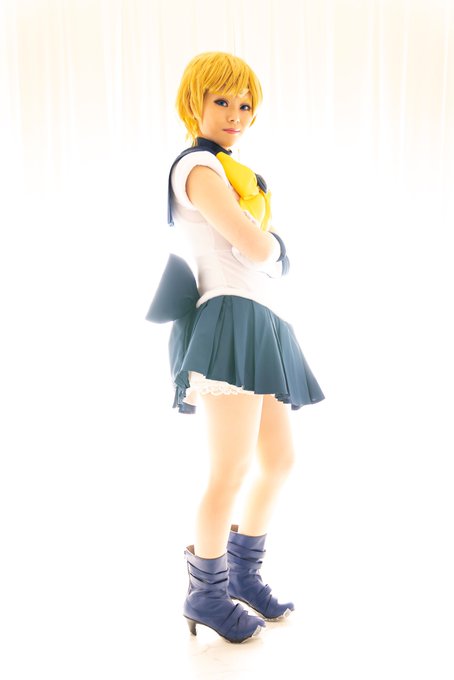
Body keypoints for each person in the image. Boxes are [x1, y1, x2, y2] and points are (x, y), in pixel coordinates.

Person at [147, 51, 324, 643]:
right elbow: (253, 245)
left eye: (246, 105)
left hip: (259, 317)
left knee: (279, 459)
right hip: (230, 318)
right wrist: (276, 244)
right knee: (230, 467)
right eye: (222, 101)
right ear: (193, 102)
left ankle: (242, 576)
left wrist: (268, 245)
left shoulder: (227, 171)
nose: (236, 115)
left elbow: (255, 246)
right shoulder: (199, 167)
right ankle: (205, 592)